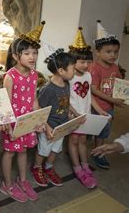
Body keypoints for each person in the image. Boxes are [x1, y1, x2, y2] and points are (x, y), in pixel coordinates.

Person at [0, 21, 45, 203]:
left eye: (34, 53)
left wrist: (40, 119)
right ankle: (7, 184)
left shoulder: (34, 75)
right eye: (27, 53)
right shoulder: (10, 77)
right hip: (13, 122)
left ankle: (23, 180)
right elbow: (5, 103)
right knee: (10, 153)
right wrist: (8, 125)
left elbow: (33, 100)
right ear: (16, 56)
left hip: (28, 120)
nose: (32, 57)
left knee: (24, 150)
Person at [31, 48, 81, 188]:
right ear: (61, 70)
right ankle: (36, 167)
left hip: (62, 125)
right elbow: (39, 110)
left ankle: (49, 167)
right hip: (49, 126)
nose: (75, 72)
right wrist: (46, 127)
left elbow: (66, 102)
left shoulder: (67, 84)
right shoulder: (48, 89)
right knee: (43, 150)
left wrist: (75, 113)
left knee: (55, 149)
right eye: (73, 69)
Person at [67, 27, 107, 189]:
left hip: (86, 114)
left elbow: (89, 97)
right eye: (82, 62)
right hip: (73, 115)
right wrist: (75, 113)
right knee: (74, 139)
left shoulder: (88, 76)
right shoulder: (69, 77)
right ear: (72, 62)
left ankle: (85, 164)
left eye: (88, 61)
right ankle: (77, 168)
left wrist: (100, 110)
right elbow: (65, 99)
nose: (85, 65)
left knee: (83, 139)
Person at [88, 20, 125, 169]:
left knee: (103, 132)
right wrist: (112, 100)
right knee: (89, 129)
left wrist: (124, 92)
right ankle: (77, 147)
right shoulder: (94, 68)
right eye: (108, 52)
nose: (113, 55)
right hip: (95, 106)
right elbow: (94, 89)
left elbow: (120, 82)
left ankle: (98, 153)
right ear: (97, 51)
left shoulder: (114, 67)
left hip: (109, 107)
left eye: (116, 52)